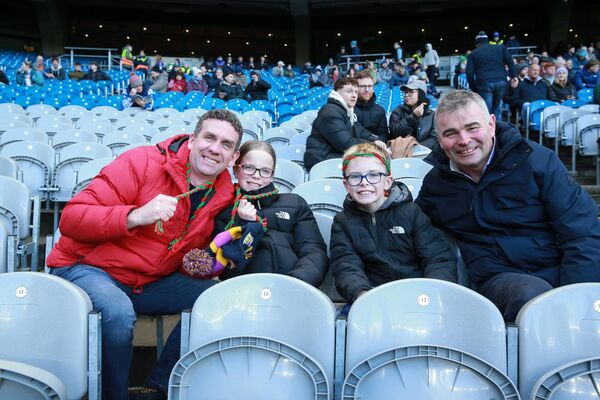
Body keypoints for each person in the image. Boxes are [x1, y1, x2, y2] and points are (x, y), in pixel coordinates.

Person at [46, 109, 243, 400]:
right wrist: (135, 216)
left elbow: (182, 250)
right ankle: (114, 396)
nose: (215, 149)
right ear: (191, 139)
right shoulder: (142, 161)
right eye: (209, 137)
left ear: (234, 157)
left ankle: (158, 386)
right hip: (87, 266)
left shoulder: (224, 193)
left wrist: (205, 262)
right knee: (117, 311)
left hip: (146, 279)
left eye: (226, 145)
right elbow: (71, 219)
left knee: (218, 298)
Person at [415, 90, 600, 321]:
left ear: (491, 124)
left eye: (472, 128)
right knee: (532, 297)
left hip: (562, 267)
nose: (464, 140)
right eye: (451, 133)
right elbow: (410, 228)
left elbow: (582, 233)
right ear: (439, 139)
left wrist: (578, 298)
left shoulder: (538, 161)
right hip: (502, 280)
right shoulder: (437, 185)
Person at [331, 142, 457, 303]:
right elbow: (346, 265)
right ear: (346, 185)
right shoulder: (343, 222)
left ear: (388, 181)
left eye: (373, 175)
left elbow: (437, 257)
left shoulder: (411, 213)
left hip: (419, 296)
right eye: (355, 176)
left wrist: (433, 293)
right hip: (372, 298)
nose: (364, 182)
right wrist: (361, 294)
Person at [213, 140, 328, 286]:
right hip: (243, 290)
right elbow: (227, 268)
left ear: (272, 175)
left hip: (292, 287)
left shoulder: (295, 203)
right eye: (249, 168)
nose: (256, 175)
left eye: (265, 171)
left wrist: (297, 282)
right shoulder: (223, 210)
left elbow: (313, 250)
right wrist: (245, 226)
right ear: (236, 170)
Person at [303, 76, 387, 171]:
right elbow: (346, 144)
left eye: (355, 91)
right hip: (321, 160)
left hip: (334, 156)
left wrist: (375, 140)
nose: (354, 95)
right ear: (337, 92)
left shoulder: (347, 111)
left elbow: (361, 131)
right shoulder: (330, 112)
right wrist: (374, 146)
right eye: (349, 91)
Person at [466, 31, 517, 119]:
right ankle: (496, 129)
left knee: (486, 110)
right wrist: (514, 76)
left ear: (477, 43)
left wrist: (474, 88)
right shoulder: (500, 48)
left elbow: (469, 73)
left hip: (484, 83)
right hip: (501, 81)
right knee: (496, 107)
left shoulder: (473, 54)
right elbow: (510, 61)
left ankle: (488, 131)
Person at [389, 78, 437, 149]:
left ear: (421, 94)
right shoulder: (398, 111)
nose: (406, 95)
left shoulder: (432, 115)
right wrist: (413, 117)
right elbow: (394, 133)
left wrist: (417, 148)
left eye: (410, 92)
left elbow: (435, 138)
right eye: (405, 92)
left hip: (424, 154)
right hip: (402, 153)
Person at [354, 71, 388, 141]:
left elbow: (384, 136)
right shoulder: (349, 109)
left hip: (375, 148)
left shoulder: (380, 110)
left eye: (369, 86)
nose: (367, 90)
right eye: (363, 86)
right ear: (355, 88)